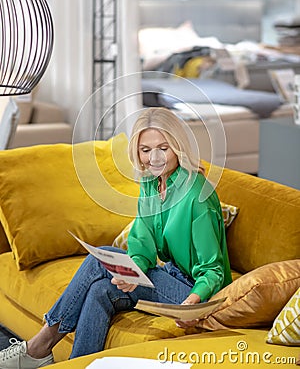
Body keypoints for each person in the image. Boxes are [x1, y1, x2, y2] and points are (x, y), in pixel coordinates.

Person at [0, 107, 232, 368]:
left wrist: (192, 303)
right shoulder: (152, 185)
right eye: (145, 150)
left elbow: (213, 270)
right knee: (101, 290)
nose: (154, 158)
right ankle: (78, 364)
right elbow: (142, 243)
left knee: (99, 257)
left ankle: (39, 346)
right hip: (170, 275)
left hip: (195, 294)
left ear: (178, 147)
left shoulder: (196, 195)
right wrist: (132, 272)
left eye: (163, 148)